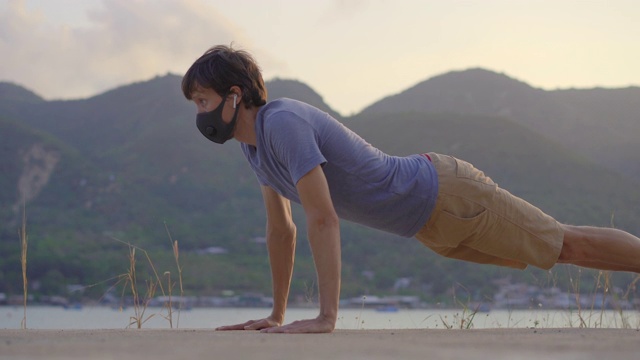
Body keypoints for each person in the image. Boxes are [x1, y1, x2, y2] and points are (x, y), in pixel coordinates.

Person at [181, 45, 640, 334]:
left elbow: (322, 217)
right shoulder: (255, 149)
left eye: (203, 101)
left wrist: (326, 318)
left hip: (446, 192)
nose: (199, 114)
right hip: (429, 226)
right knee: (557, 250)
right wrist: (277, 314)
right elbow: (282, 231)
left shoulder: (282, 122)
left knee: (565, 242)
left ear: (235, 95)